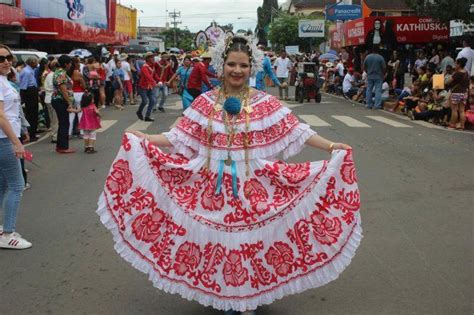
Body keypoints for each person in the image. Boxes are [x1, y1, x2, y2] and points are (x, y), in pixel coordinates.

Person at [97, 35, 360, 314]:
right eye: (232, 64)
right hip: (211, 188)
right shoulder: (204, 103)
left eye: (243, 66)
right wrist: (145, 138)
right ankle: (227, 297)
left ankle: (248, 298)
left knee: (250, 245)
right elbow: (178, 137)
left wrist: (332, 146)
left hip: (254, 187)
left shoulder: (266, 104)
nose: (237, 71)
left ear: (252, 68)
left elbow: (298, 132)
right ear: (222, 66)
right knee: (220, 246)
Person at [0, 44, 32, 249]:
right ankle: (8, 233)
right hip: (4, 139)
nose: (6, 61)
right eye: (1, 58)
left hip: (6, 137)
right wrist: (15, 141)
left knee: (3, 186)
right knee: (17, 185)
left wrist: (22, 130)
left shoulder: (5, 81)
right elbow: (1, 115)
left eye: (8, 57)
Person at [52, 55, 75, 154]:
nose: (70, 65)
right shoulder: (61, 73)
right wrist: (69, 102)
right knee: (64, 123)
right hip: (60, 100)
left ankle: (61, 146)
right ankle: (63, 147)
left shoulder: (60, 72)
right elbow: (63, 90)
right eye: (70, 63)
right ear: (66, 64)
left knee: (63, 123)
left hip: (60, 100)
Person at [18, 56, 39, 141]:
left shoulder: (30, 70)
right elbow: (24, 86)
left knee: (33, 113)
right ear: (32, 63)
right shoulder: (27, 72)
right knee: (31, 114)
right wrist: (23, 98)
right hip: (29, 92)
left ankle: (32, 133)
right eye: (36, 62)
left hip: (32, 91)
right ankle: (31, 134)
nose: (37, 64)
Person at [446, 57, 469, 130]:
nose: (455, 65)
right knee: (462, 110)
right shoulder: (466, 73)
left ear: (459, 64)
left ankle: (452, 124)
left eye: (456, 63)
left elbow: (448, 82)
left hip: (456, 93)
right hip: (464, 93)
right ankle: (462, 126)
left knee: (454, 110)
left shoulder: (457, 73)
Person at [68, 57, 86, 138]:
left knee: (71, 113)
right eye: (78, 62)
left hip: (71, 93)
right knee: (80, 113)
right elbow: (84, 85)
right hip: (79, 93)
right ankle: (81, 132)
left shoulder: (68, 72)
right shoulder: (78, 73)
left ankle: (69, 133)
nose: (79, 64)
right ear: (75, 63)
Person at [136, 52, 156, 122]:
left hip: (150, 86)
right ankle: (139, 112)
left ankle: (147, 116)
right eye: (151, 57)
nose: (153, 58)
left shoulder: (152, 66)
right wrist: (154, 82)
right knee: (144, 101)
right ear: (147, 59)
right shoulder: (145, 67)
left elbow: (154, 75)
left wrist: (160, 80)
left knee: (153, 101)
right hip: (143, 87)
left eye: (153, 57)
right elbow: (148, 76)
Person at [44, 60, 58, 143]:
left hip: (48, 98)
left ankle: (54, 134)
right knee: (55, 119)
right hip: (53, 98)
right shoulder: (54, 75)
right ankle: (55, 136)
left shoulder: (48, 75)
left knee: (52, 119)